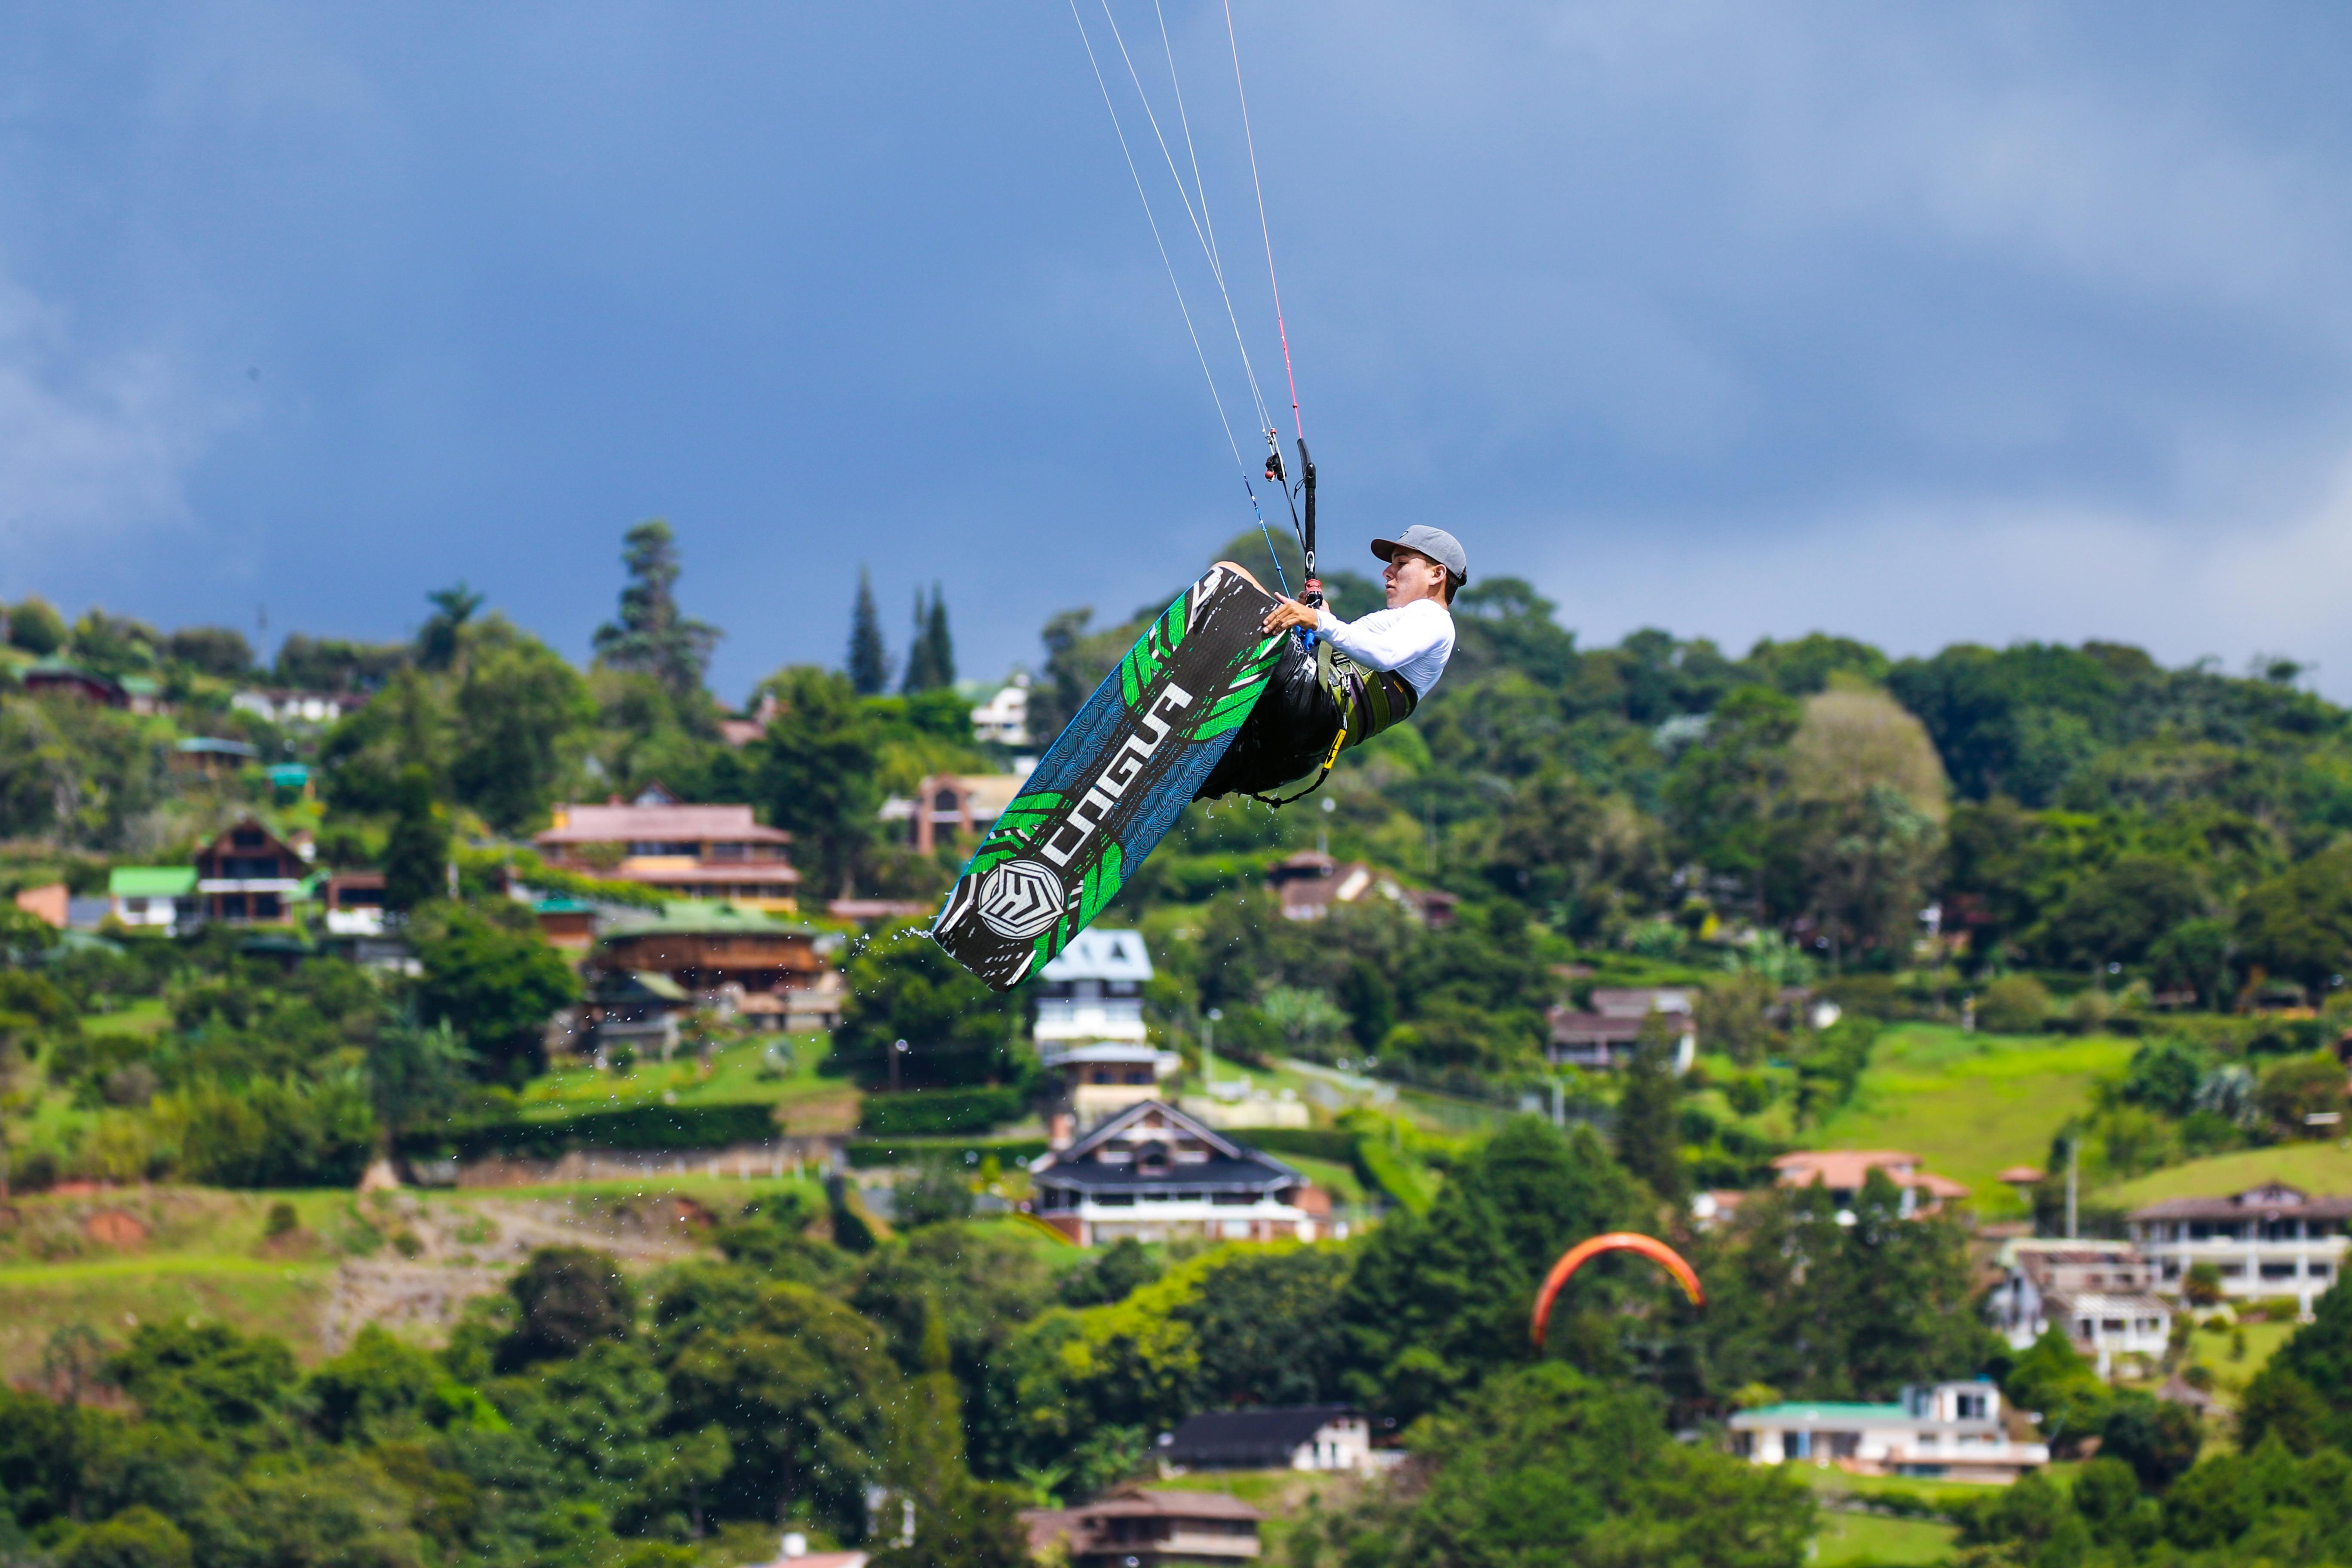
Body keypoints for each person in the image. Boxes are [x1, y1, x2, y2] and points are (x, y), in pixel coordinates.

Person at [1196, 524, 1466, 802]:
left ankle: (1189, 683)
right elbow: (1355, 657)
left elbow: (1384, 656)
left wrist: (1319, 621)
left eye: (1402, 564)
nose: (1388, 572)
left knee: (1228, 574)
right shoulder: (1413, 626)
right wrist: (1320, 621)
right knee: (1197, 768)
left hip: (1311, 707)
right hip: (1301, 753)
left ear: (1437, 574)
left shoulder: (1432, 616)